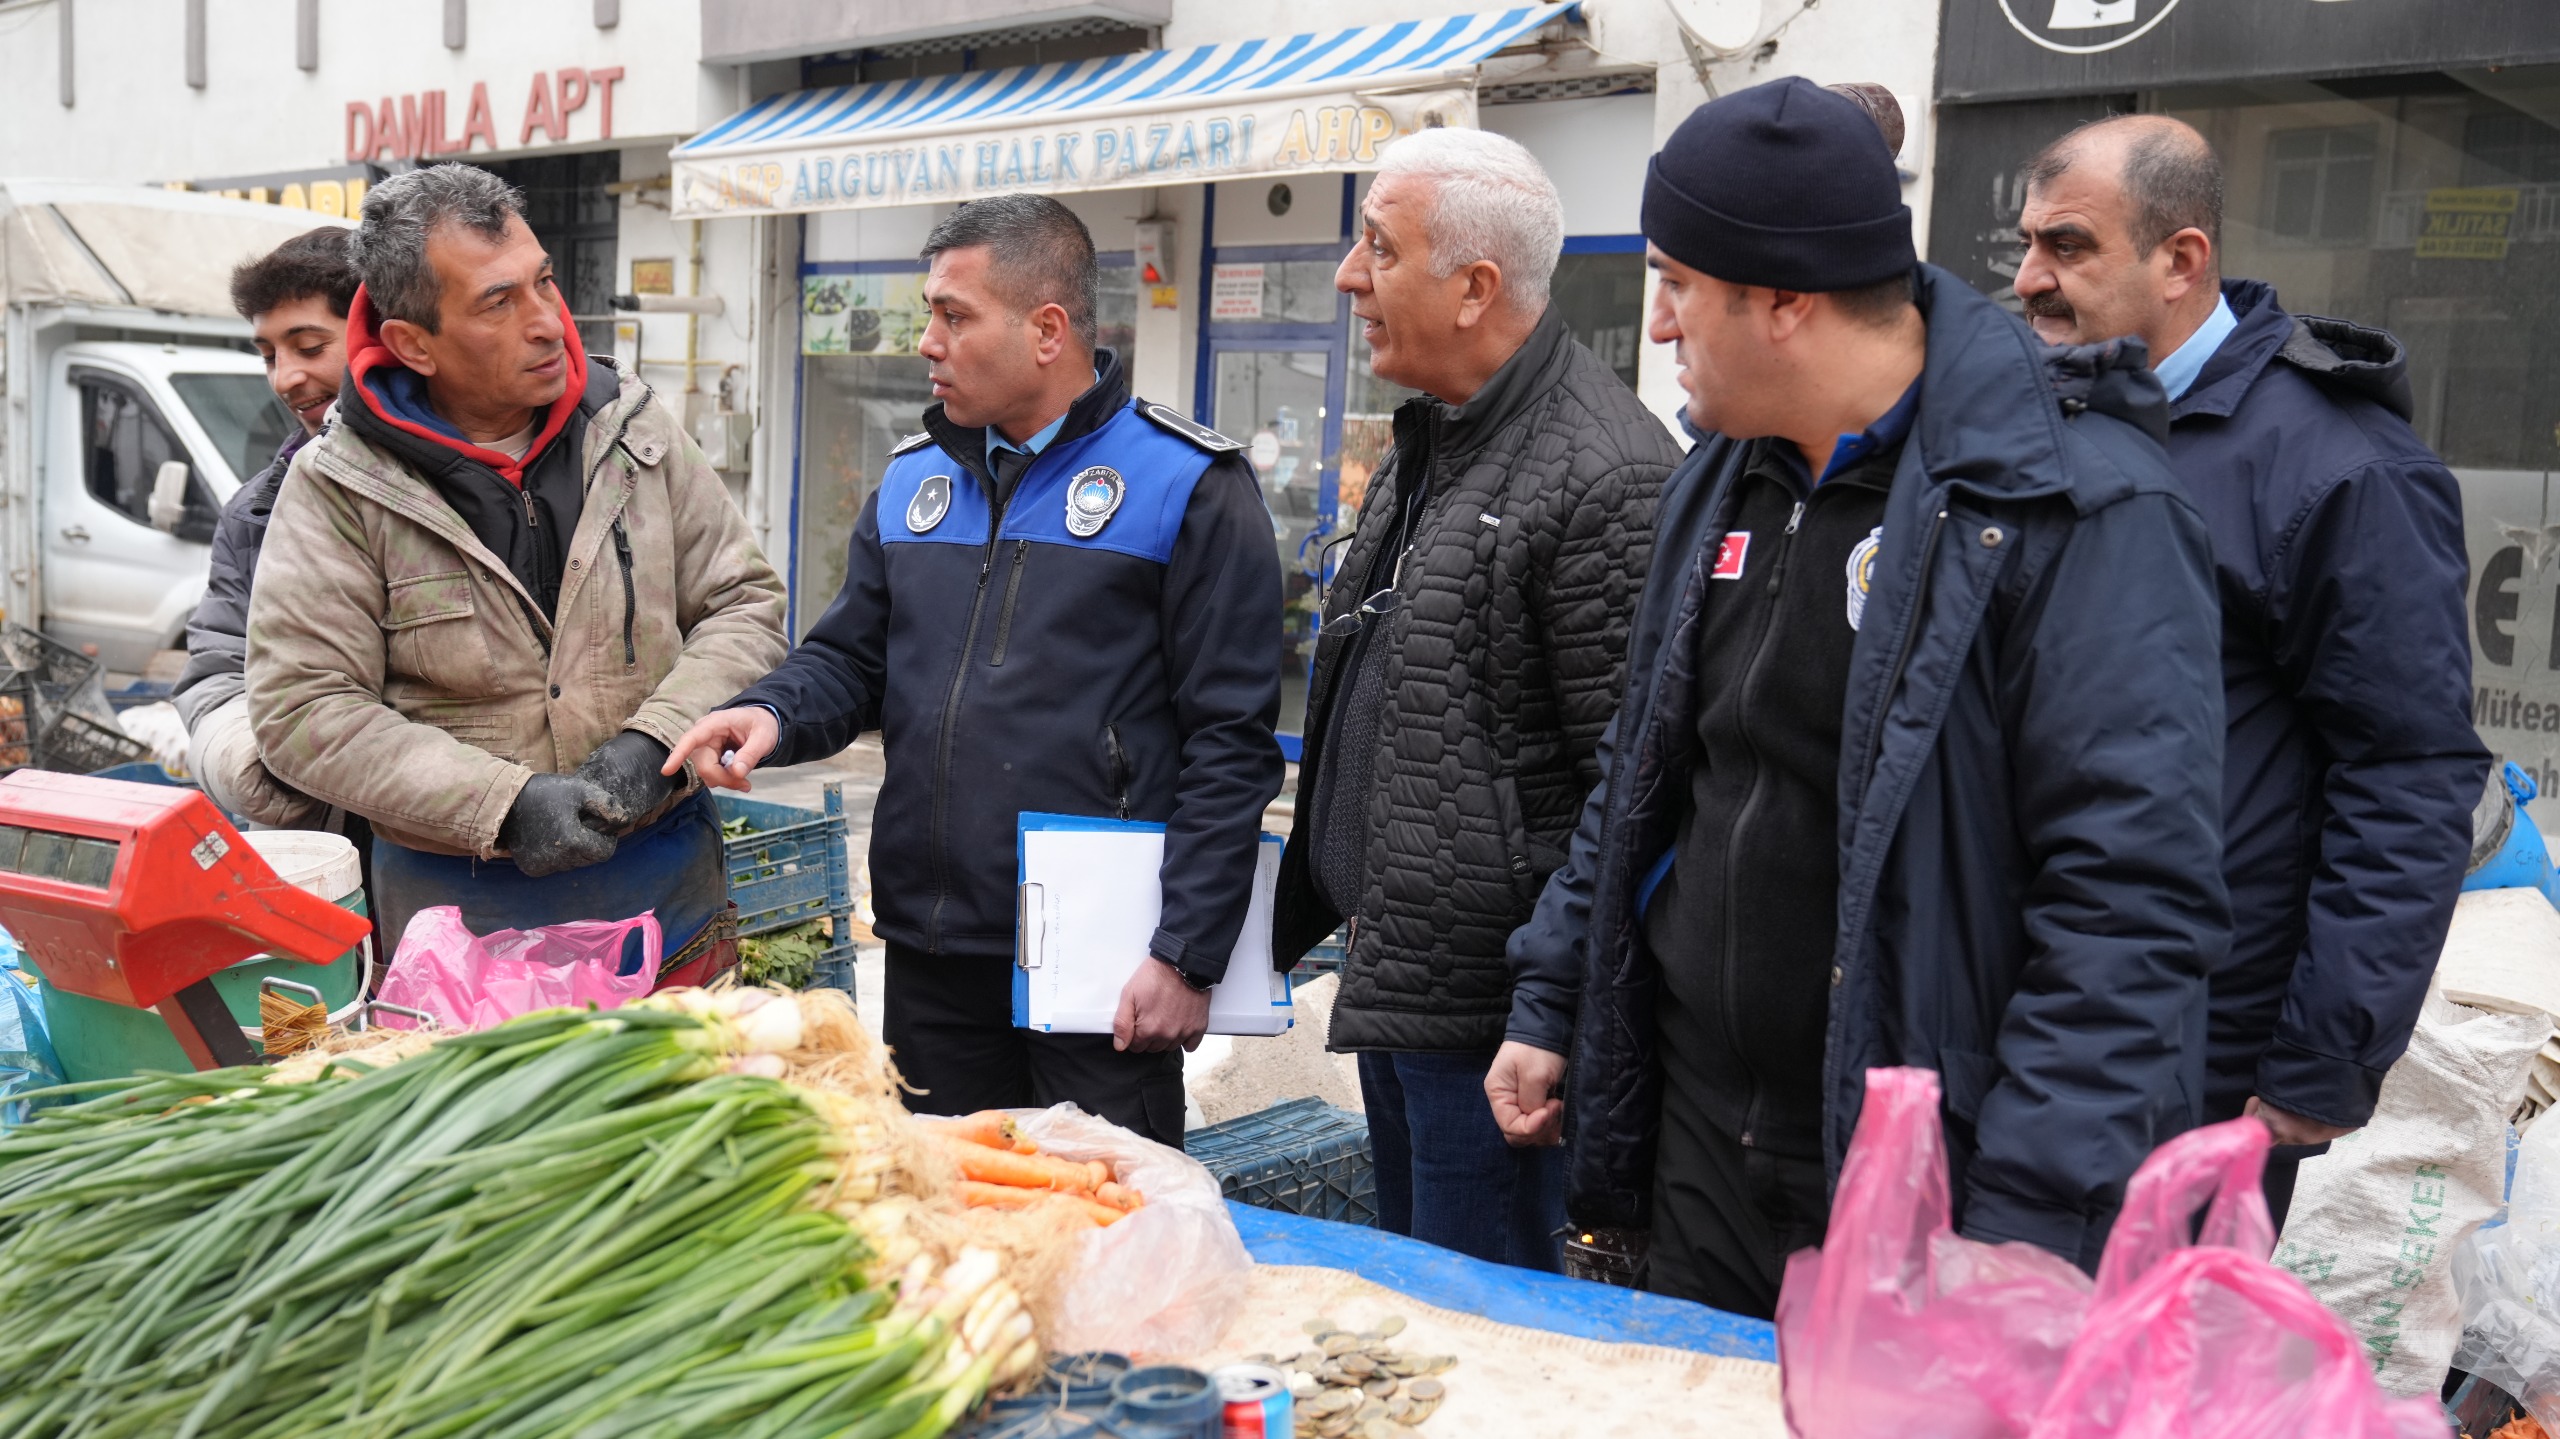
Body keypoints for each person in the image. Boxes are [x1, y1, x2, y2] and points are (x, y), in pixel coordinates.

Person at [1490, 77, 2231, 1318]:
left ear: (1782, 302)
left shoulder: (2078, 506)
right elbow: (1645, 761)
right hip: (1701, 1138)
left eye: (1679, 284)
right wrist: (1554, 992)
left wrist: (2029, 1220)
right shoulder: (1717, 478)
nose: (1658, 324)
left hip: (1930, 1175)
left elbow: (2128, 900)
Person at [663, 195, 1282, 1147]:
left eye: (955, 316)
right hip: (931, 953)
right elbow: (849, 656)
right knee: (944, 1226)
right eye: (929, 314)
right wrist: (772, 714)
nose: (927, 342)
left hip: (1100, 969)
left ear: (1047, 330)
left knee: (1104, 1238)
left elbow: (1231, 746)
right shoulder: (914, 480)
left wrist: (1186, 955)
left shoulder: (1187, 485)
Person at [2013, 115, 2488, 1222]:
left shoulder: (2340, 471)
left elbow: (2408, 774)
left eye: (2069, 247)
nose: (2031, 280)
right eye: (2026, 245)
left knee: (2138, 1373)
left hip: (2199, 1043)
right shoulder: (2050, 424)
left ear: (2180, 260)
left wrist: (2322, 1056)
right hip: (2041, 999)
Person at [1269, 128, 1679, 1270]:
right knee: (1419, 1297)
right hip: (1405, 981)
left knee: (1478, 1314)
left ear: (1474, 288)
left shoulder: (1606, 471)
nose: (1349, 277)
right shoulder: (1434, 436)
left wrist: (1544, 1012)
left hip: (1492, 1031)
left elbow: (1631, 785)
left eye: (1376, 248)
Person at [247, 164, 787, 983]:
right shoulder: (338, 485)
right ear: (411, 344)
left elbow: (744, 603)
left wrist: (657, 738)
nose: (547, 324)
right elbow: (303, 708)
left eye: (544, 283)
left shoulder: (631, 426)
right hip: (463, 930)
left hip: (666, 892)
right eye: (497, 303)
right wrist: (505, 803)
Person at [173, 226, 356, 829]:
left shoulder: (468, 481)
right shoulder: (255, 512)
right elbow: (218, 668)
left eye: (308, 347)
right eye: (270, 354)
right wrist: (248, 761)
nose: (283, 379)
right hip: (315, 853)